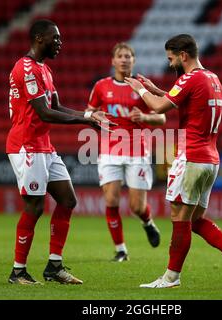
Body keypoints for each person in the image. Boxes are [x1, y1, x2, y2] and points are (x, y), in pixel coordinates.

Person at [124, 34, 222, 288]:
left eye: (171, 58)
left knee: (179, 216)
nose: (170, 64)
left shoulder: (190, 78)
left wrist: (139, 90)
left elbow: (159, 108)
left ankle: (171, 277)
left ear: (183, 55)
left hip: (191, 157)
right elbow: (186, 101)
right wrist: (156, 90)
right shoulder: (212, 78)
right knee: (192, 220)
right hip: (211, 161)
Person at [6, 19, 113, 285]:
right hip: (26, 145)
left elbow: (57, 105)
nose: (60, 43)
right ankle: (18, 271)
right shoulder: (26, 68)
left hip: (43, 145)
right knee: (35, 205)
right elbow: (44, 112)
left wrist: (89, 115)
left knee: (67, 200)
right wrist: (85, 121)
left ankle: (54, 266)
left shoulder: (45, 70)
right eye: (55, 38)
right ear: (39, 38)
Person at [86, 43, 165, 262]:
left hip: (137, 150)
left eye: (128, 56)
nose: (124, 59)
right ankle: (121, 250)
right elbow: (88, 112)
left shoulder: (141, 87)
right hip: (109, 150)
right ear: (113, 61)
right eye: (120, 56)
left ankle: (148, 223)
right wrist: (94, 116)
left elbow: (162, 117)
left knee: (136, 206)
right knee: (111, 201)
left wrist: (145, 117)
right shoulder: (101, 86)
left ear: (134, 60)